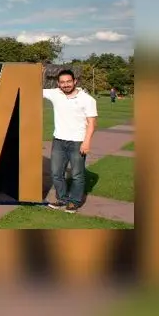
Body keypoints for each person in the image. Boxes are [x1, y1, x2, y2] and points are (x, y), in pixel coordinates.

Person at [43, 69, 97, 213]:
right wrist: (39, 74)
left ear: (75, 81)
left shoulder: (88, 99)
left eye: (68, 81)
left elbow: (92, 123)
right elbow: (33, 89)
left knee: (77, 174)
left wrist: (87, 142)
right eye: (62, 82)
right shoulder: (55, 94)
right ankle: (62, 199)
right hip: (59, 141)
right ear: (58, 84)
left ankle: (74, 202)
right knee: (56, 173)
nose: (66, 85)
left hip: (77, 142)